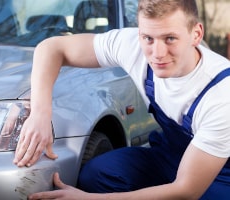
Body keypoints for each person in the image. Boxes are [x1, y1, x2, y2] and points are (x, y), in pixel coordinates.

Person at [14, 0, 230, 199]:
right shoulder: (132, 45)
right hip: (170, 156)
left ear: (196, 34)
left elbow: (186, 190)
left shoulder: (221, 95)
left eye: (170, 38)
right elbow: (51, 48)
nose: (157, 53)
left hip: (217, 175)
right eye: (148, 39)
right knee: (97, 175)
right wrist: (40, 113)